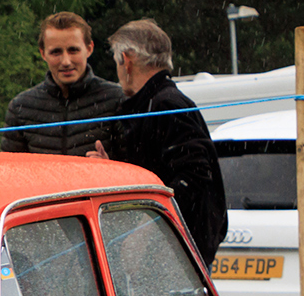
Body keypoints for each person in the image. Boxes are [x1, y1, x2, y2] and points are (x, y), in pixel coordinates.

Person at [89, 19, 228, 267]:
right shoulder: (149, 104)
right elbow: (154, 173)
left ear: (126, 60)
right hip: (168, 248)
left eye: (116, 63)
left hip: (177, 252)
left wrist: (147, 227)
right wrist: (115, 172)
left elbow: (193, 177)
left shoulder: (167, 105)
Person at [2, 12, 125, 155]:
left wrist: (109, 168)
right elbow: (9, 170)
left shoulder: (116, 100)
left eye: (73, 50)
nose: (66, 61)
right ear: (43, 54)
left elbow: (136, 169)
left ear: (89, 49)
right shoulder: (21, 108)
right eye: (56, 52)